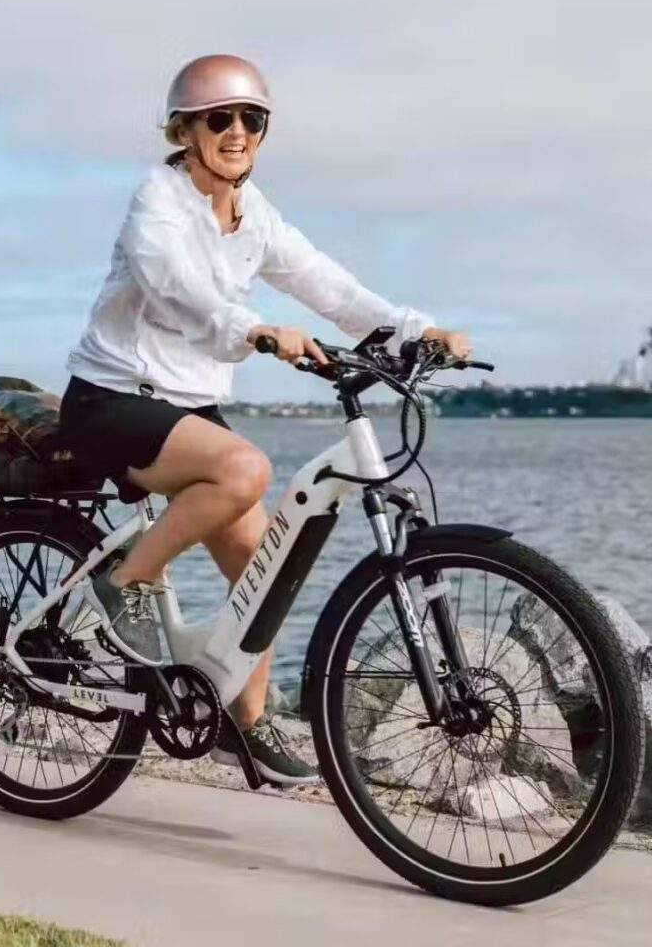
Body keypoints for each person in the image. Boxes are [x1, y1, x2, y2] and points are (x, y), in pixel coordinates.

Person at [60, 54, 470, 785]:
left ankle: (242, 725)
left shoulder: (256, 215)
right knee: (246, 469)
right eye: (220, 119)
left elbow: (328, 286)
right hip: (114, 398)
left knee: (265, 566)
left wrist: (415, 329)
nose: (238, 131)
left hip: (189, 406)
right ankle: (118, 586)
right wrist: (253, 329)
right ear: (184, 130)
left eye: (253, 119)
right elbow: (175, 286)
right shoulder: (157, 200)